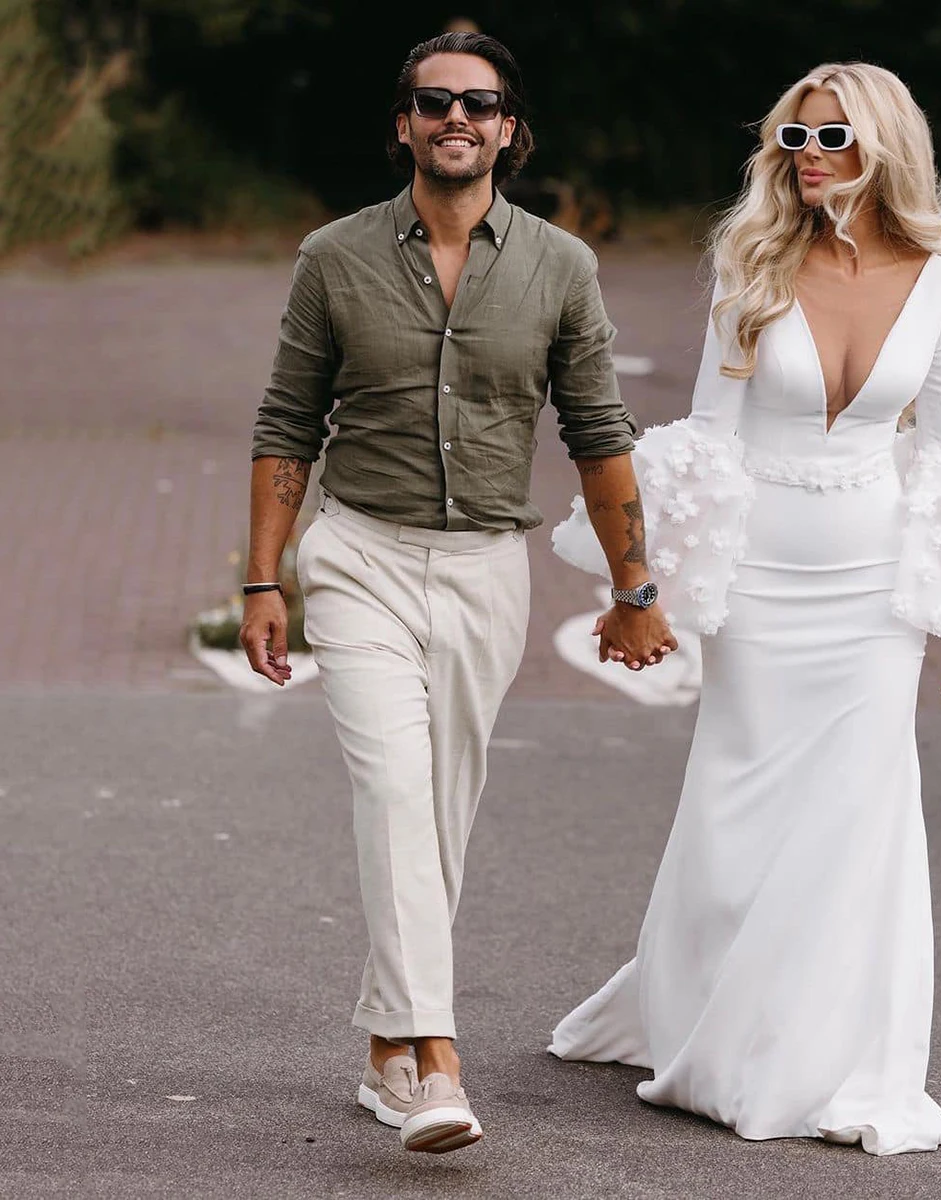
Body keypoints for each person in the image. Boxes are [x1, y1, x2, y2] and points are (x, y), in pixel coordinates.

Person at [549, 61, 941, 1155]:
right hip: (761, 576)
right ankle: (708, 1014)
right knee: (739, 800)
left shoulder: (940, 281)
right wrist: (650, 589)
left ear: (884, 147)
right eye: (794, 139)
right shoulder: (751, 259)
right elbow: (708, 438)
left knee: (861, 813)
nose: (809, 159)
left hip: (874, 589)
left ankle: (826, 1055)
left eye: (833, 138)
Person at [240, 31, 674, 1154]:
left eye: (478, 104)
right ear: (404, 124)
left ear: (508, 129)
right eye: (434, 102)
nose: (456, 119)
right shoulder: (334, 256)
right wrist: (263, 577)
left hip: (486, 568)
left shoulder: (561, 267)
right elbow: (288, 420)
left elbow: (598, 432)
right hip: (359, 558)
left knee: (440, 811)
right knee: (393, 790)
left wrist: (635, 585)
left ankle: (385, 1049)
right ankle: (436, 1058)